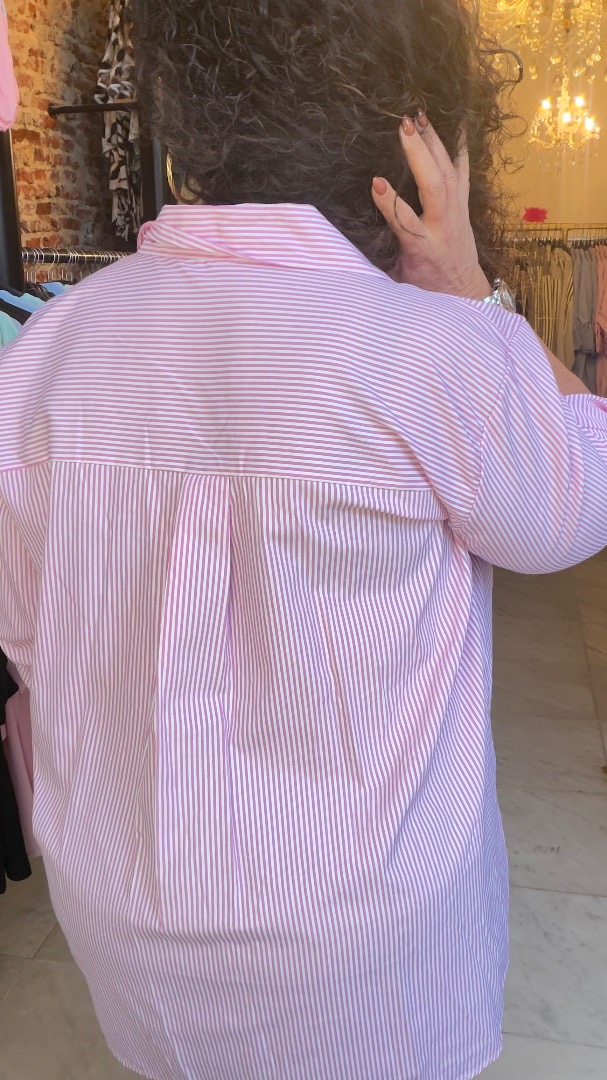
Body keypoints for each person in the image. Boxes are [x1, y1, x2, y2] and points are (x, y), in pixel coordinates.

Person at [0, 2, 606, 1078]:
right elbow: (576, 502)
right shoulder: (433, 353)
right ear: (418, 148)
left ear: (193, 118)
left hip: (127, 916)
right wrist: (480, 294)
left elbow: (30, 638)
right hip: (362, 934)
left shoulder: (48, 349)